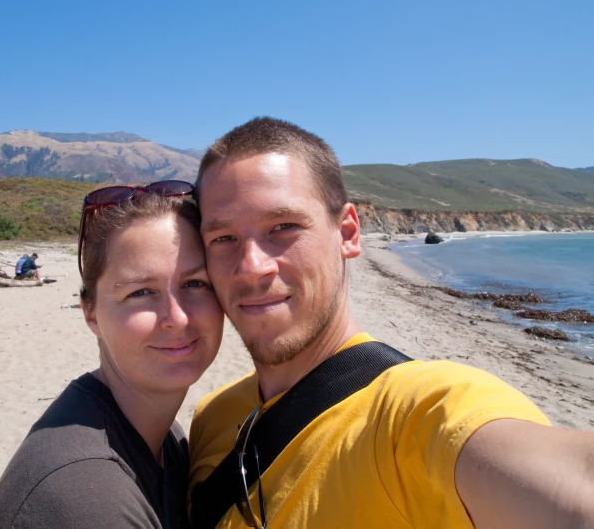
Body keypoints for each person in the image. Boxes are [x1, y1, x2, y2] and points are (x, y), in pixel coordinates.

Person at [188, 117, 594, 529]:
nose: (251, 267)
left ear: (347, 233)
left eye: (284, 227)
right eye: (223, 239)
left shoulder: (415, 414)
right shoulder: (212, 419)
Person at [0, 184, 224, 528]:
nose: (178, 317)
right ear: (90, 313)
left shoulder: (166, 440)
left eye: (195, 284)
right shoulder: (89, 494)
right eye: (141, 292)